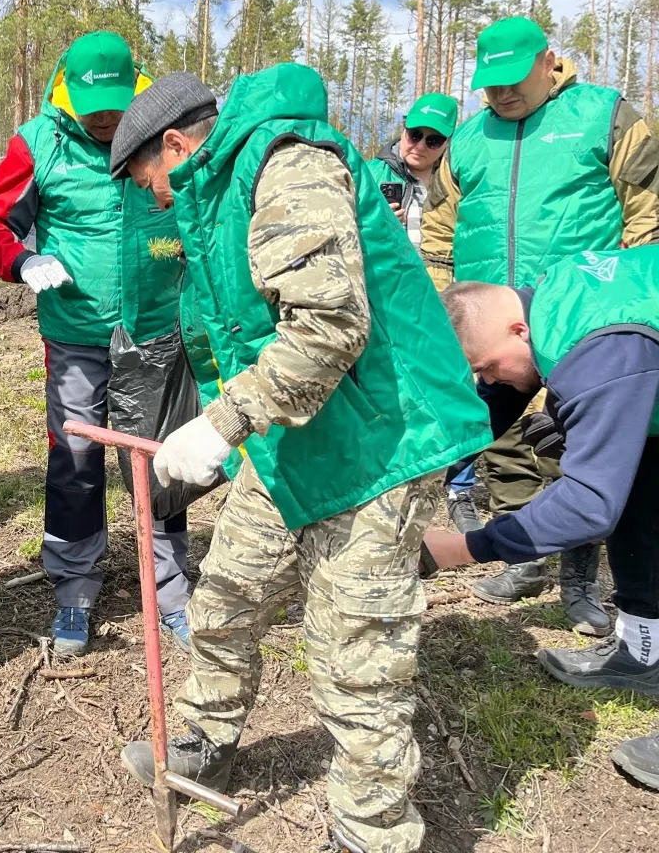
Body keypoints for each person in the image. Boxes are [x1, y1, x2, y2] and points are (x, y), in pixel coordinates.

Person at [109, 69, 492, 853]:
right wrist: (233, 422)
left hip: (381, 439)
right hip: (294, 437)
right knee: (227, 597)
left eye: (152, 180)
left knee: (357, 659)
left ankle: (371, 833)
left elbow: (328, 329)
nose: (156, 201)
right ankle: (204, 741)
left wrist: (222, 424)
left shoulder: (286, 162)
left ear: (178, 145)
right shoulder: (218, 197)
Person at [421, 15, 659, 630]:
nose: (501, 95)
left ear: (547, 60)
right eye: (489, 85)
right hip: (496, 324)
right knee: (502, 442)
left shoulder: (602, 117)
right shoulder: (468, 142)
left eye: (511, 81)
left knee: (584, 455)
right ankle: (524, 554)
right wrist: (452, 311)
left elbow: (647, 212)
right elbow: (440, 232)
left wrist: (617, 306)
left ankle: (578, 580)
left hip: (580, 327)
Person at [0, 32, 196, 656]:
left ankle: (170, 585)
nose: (104, 119)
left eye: (116, 106)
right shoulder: (37, 141)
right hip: (76, 331)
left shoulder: (168, 133)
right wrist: (21, 260)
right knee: (75, 457)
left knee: (161, 458)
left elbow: (200, 213)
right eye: (92, 105)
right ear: (67, 88)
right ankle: (74, 582)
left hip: (157, 327)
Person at [424, 247, 659, 789]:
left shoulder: (602, 351)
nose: (489, 381)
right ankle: (642, 652)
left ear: (516, 330)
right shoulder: (550, 299)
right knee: (639, 484)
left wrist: (465, 548)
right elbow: (490, 406)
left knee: (604, 490)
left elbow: (588, 505)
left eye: (486, 368)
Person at [366, 92, 457, 249]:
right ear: (404, 129)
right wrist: (372, 223)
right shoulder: (367, 175)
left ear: (447, 142)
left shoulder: (457, 183)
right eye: (415, 135)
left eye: (433, 141)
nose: (420, 146)